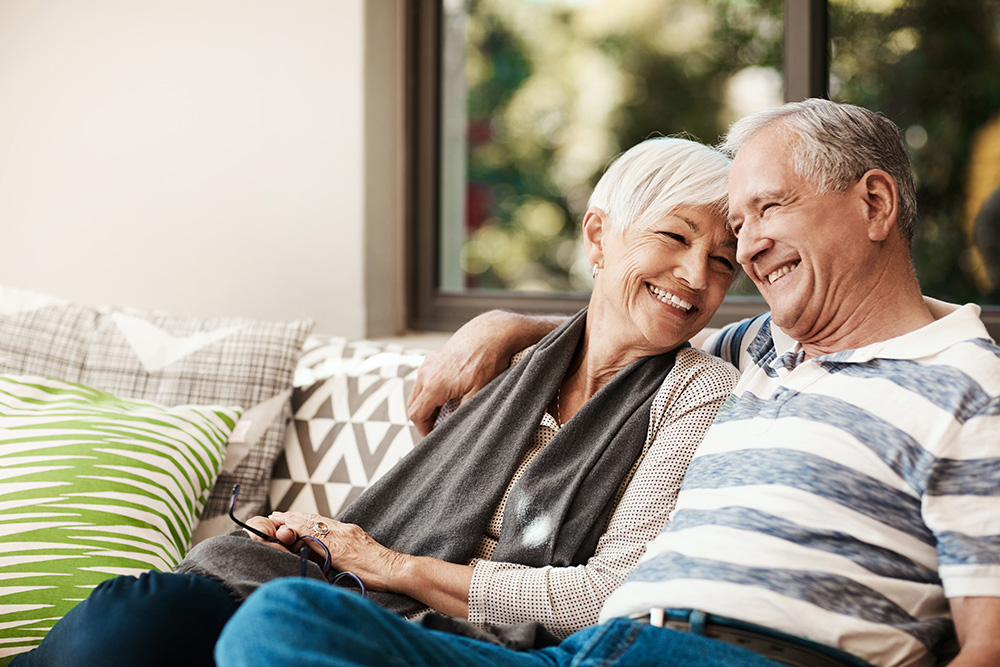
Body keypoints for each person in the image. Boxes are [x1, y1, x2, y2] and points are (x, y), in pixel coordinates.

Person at [214, 98, 1000, 667]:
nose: (747, 250)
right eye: (740, 225)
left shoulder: (970, 390)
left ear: (873, 201)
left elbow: (989, 645)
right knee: (282, 621)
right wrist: (507, 326)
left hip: (752, 655)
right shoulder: (761, 345)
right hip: (595, 650)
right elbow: (629, 323)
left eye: (767, 210)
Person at [13, 137, 743, 667]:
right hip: (337, 581)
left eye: (721, 261)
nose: (693, 275)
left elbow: (599, 596)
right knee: (136, 616)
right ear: (599, 236)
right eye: (673, 236)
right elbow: (596, 333)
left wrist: (381, 560)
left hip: (437, 631)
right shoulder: (511, 358)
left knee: (138, 636)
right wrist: (322, 542)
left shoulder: (698, 390)